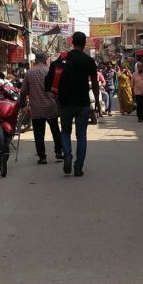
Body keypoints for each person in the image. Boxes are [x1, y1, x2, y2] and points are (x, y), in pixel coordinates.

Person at [45, 31, 100, 177]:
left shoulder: (64, 59)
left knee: (65, 131)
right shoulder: (89, 61)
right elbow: (95, 83)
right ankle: (78, 167)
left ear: (72, 42)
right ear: (84, 43)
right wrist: (98, 102)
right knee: (81, 135)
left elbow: (52, 79)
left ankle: (67, 155)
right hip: (82, 103)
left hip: (65, 102)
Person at [18, 52, 63, 165]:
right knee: (55, 131)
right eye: (48, 59)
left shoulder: (30, 72)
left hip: (37, 108)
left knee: (38, 133)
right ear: (45, 60)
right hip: (50, 106)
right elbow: (57, 90)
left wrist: (22, 104)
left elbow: (23, 91)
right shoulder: (50, 71)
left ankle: (42, 157)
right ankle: (58, 152)